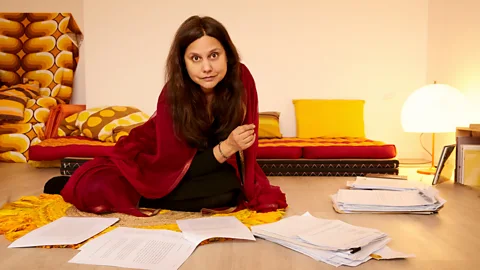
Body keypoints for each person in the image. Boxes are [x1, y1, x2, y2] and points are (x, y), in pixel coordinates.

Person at [43, 15, 288, 217]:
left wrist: (246, 178)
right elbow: (174, 167)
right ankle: (78, 184)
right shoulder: (173, 95)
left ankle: (148, 196)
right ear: (183, 63)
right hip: (156, 162)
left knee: (231, 189)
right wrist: (228, 147)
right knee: (99, 187)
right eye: (195, 58)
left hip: (209, 164)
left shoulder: (241, 79)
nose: (207, 68)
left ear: (228, 55)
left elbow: (247, 151)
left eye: (214, 55)